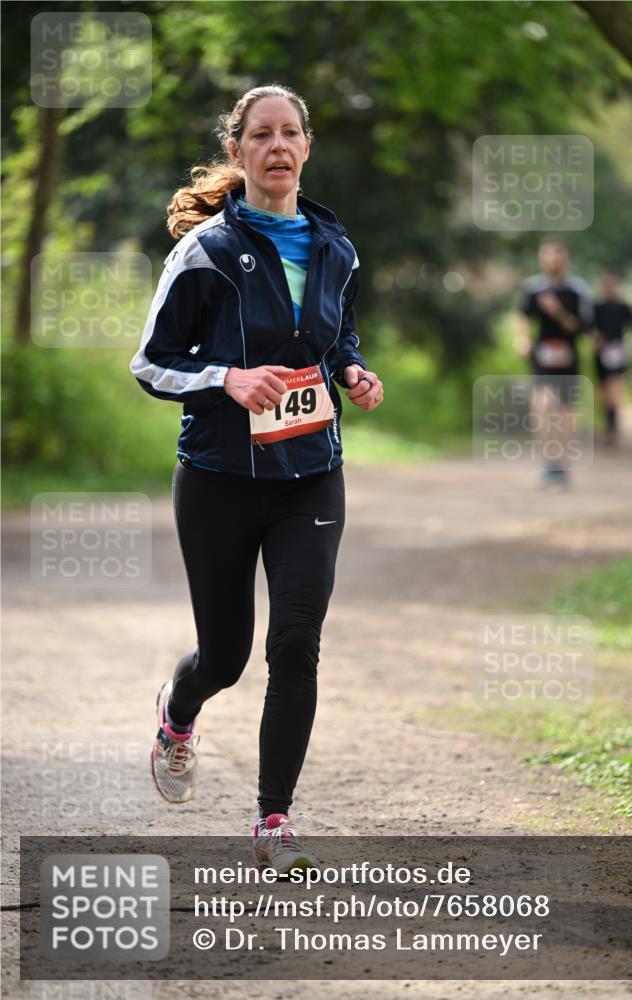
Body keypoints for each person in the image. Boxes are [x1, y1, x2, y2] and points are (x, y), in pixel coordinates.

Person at [129, 84, 383, 873]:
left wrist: (352, 371)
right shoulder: (203, 250)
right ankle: (178, 714)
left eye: (290, 133)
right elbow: (151, 362)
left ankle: (274, 819)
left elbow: (334, 335)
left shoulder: (337, 247)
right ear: (238, 153)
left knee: (297, 644)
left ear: (306, 147)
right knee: (226, 657)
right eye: (261, 135)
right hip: (217, 478)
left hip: (310, 474)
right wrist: (226, 380)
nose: (277, 146)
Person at [514, 238, 594, 488]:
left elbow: (580, 327)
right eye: (548, 254)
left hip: (568, 358)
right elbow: (522, 316)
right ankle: (548, 462)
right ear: (541, 257)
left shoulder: (577, 290)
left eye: (558, 254)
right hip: (543, 358)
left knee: (565, 412)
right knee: (542, 404)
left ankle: (562, 464)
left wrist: (557, 311)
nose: (553, 259)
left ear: (566, 258)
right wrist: (522, 340)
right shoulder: (533, 288)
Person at [592, 273, 632, 447]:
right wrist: (596, 339)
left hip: (617, 352)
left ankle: (613, 427)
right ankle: (608, 425)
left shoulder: (624, 307)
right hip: (601, 352)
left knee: (614, 390)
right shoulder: (597, 307)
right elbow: (589, 328)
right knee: (604, 392)